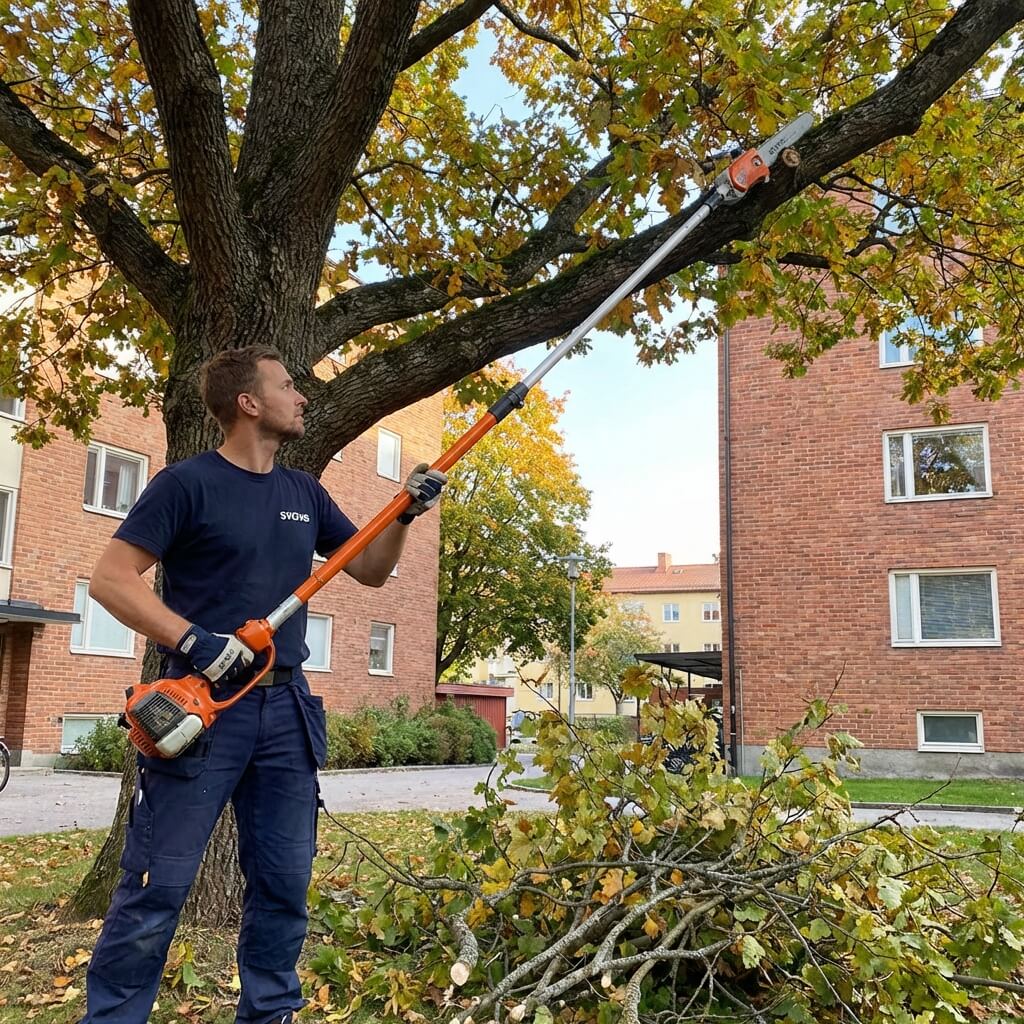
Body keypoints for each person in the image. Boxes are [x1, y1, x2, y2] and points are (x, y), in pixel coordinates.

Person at [79, 345, 446, 1024]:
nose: (301, 397)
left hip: (286, 710)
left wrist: (402, 515)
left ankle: (269, 1013)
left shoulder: (303, 492)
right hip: (201, 710)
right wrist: (192, 640)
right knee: (157, 886)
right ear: (249, 403)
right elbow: (109, 580)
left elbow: (367, 570)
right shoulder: (186, 485)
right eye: (287, 386)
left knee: (283, 887)